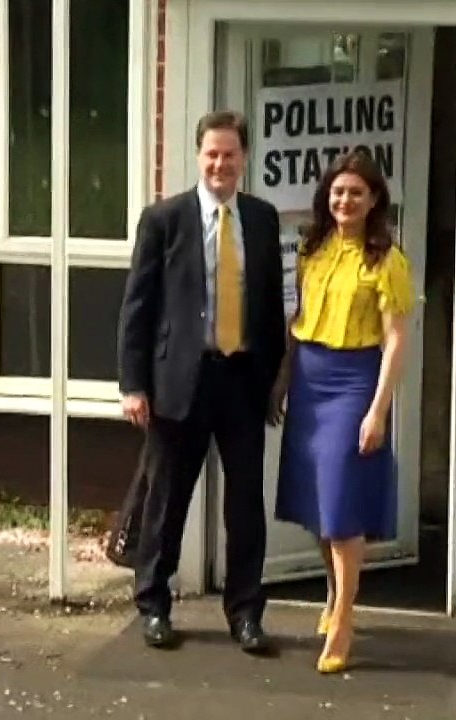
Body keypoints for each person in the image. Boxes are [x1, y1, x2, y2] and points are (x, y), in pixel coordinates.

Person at [117, 110, 285, 654]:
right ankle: (153, 605)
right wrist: (133, 385)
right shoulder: (164, 219)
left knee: (245, 506)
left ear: (243, 159)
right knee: (167, 501)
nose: (220, 164)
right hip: (178, 383)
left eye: (230, 155)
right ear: (199, 157)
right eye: (211, 154)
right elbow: (137, 309)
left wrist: (274, 383)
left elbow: (267, 308)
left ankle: (245, 613)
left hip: (241, 380)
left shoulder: (261, 219)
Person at [271, 150, 415, 674]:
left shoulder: (388, 261)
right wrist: (283, 381)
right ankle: (332, 597)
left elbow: (397, 341)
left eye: (356, 192)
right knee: (314, 501)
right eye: (337, 191)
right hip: (310, 376)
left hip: (355, 381)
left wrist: (379, 410)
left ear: (374, 198)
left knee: (341, 503)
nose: (345, 201)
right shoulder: (314, 248)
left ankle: (347, 619)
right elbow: (299, 319)